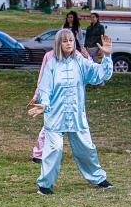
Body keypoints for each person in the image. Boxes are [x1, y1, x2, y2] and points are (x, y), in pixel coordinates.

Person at [28, 30, 114, 195]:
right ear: (58, 44)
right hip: (54, 115)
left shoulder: (80, 62)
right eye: (65, 41)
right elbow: (45, 87)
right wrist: (44, 104)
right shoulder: (51, 64)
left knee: (86, 148)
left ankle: (98, 178)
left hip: (76, 115)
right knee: (54, 149)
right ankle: (45, 185)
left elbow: (99, 75)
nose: (68, 43)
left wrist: (107, 57)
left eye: (71, 40)